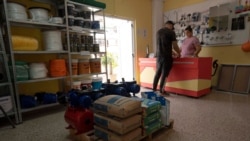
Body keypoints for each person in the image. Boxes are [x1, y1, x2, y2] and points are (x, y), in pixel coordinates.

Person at [152, 20, 181, 95]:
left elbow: (164, 46)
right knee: (164, 74)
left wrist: (173, 52)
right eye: (172, 27)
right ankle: (162, 91)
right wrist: (179, 53)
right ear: (171, 25)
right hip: (166, 57)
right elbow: (174, 46)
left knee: (158, 73)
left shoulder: (158, 32)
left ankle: (154, 90)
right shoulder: (171, 32)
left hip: (159, 56)